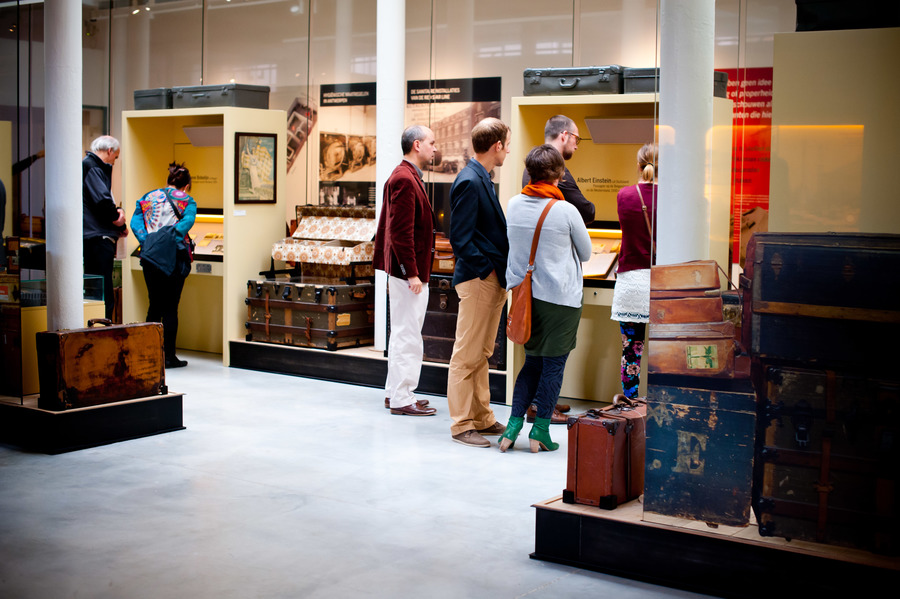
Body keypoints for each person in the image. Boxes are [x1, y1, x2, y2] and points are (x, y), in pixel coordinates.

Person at [500, 145, 591, 452]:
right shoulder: (566, 211)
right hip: (560, 300)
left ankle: (511, 428)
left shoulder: (513, 205)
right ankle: (540, 431)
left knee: (531, 363)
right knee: (553, 366)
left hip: (525, 298)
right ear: (559, 175)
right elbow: (587, 253)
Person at [446, 117, 511, 448]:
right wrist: (486, 270)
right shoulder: (470, 181)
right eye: (507, 144)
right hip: (478, 279)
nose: (509, 151)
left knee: (482, 352)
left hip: (490, 278)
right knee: (466, 354)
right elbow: (460, 239)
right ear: (497, 145)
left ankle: (482, 417)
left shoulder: (481, 177)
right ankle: (461, 424)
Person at [373, 125, 438, 416]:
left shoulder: (407, 176)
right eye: (431, 142)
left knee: (403, 332)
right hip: (407, 275)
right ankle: (402, 397)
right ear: (416, 145)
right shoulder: (404, 179)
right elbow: (400, 234)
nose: (435, 148)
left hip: (406, 272)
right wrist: (411, 273)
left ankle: (395, 392)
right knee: (408, 334)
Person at [131, 162, 197, 369]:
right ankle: (169, 357)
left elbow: (135, 223)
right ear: (186, 186)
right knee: (170, 307)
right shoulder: (188, 201)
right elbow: (186, 224)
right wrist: (169, 238)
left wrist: (148, 241)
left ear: (168, 181)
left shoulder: (148, 197)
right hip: (174, 257)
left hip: (150, 257)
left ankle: (148, 354)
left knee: (154, 305)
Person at [610, 143, 657, 398]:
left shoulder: (625, 195)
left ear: (638, 166)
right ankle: (662, 408)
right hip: (663, 285)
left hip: (631, 284)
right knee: (665, 353)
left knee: (631, 352)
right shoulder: (672, 196)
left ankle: (630, 406)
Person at [521, 115, 595, 225]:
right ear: (564, 136)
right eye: (576, 139)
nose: (576, 146)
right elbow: (587, 212)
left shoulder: (528, 169)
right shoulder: (555, 170)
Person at [83, 136, 126, 320]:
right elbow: (102, 201)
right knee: (102, 291)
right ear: (109, 151)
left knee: (97, 289)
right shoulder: (92, 167)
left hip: (93, 235)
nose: (114, 162)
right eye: (115, 157)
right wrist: (119, 219)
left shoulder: (90, 166)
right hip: (98, 237)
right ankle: (102, 331)